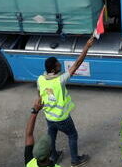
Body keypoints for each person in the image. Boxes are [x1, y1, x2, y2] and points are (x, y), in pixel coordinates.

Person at [37, 36, 96, 167]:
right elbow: (77, 64)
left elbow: (39, 96)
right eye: (58, 65)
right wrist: (87, 46)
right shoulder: (60, 80)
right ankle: (75, 160)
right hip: (62, 118)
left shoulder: (40, 79)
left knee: (51, 136)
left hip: (49, 116)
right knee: (72, 135)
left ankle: (54, 156)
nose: (60, 65)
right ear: (53, 70)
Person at [25, 97, 60, 167]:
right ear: (50, 154)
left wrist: (35, 111)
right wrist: (35, 111)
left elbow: (29, 134)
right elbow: (29, 135)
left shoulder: (30, 163)